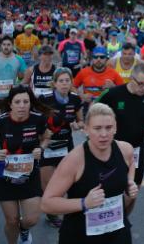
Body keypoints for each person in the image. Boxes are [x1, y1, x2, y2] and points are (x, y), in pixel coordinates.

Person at [40, 103, 138, 243]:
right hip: (80, 236)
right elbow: (47, 204)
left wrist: (130, 183)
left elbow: (130, 168)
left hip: (117, 233)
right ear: (86, 130)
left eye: (108, 128)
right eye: (97, 128)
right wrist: (84, 203)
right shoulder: (74, 160)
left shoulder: (126, 150)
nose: (103, 134)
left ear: (115, 128)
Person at [0, 85, 52, 244]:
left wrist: (41, 148)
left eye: (25, 101)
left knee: (32, 219)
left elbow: (47, 137)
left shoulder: (38, 119)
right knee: (12, 220)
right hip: (5, 177)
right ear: (10, 104)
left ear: (30, 103)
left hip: (30, 176)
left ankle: (24, 230)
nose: (22, 106)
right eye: (17, 102)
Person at [98, 63, 144, 210]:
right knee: (111, 186)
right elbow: (93, 113)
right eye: (141, 84)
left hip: (136, 150)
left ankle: (123, 220)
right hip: (113, 150)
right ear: (131, 78)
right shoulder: (113, 94)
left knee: (133, 189)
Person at [38, 67, 84, 228]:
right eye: (61, 81)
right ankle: (51, 214)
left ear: (71, 83)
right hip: (48, 146)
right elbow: (35, 122)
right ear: (54, 83)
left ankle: (63, 207)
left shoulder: (75, 99)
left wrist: (77, 125)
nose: (64, 84)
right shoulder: (44, 99)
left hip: (65, 145)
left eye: (67, 81)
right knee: (48, 184)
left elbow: (80, 121)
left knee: (67, 182)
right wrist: (43, 134)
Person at [73, 46, 124, 111]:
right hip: (88, 106)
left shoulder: (113, 73)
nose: (98, 59)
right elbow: (72, 87)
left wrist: (113, 87)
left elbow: (123, 91)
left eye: (102, 57)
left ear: (106, 59)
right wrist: (81, 96)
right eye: (95, 57)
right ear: (92, 59)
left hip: (107, 106)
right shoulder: (83, 72)